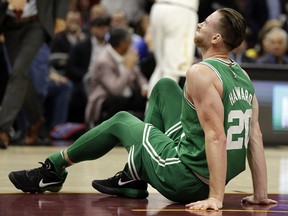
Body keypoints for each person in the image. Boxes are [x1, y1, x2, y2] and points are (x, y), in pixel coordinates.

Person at [8, 8, 277, 210]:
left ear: (216, 38)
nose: (199, 23)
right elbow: (254, 136)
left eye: (205, 23)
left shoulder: (201, 72)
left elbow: (216, 136)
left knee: (122, 120)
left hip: (185, 178)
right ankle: (134, 177)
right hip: (205, 171)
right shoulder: (243, 75)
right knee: (164, 87)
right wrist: (260, 194)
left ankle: (52, 170)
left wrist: (215, 198)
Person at [0, 0, 69, 149]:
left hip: (36, 23)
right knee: (20, 75)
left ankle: (2, 129)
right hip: (8, 23)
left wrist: (60, 17)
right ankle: (36, 118)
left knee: (18, 72)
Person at [85, 26, 148, 126]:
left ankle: (144, 129)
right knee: (117, 101)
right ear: (122, 43)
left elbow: (139, 75)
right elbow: (115, 90)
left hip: (126, 96)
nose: (132, 44)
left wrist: (145, 87)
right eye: (129, 41)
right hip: (105, 100)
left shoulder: (126, 53)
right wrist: (127, 68)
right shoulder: (103, 60)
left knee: (145, 97)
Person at [148, 0, 199, 96]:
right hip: (181, 9)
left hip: (159, 7)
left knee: (161, 67)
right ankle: (163, 109)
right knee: (172, 70)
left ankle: (150, 108)